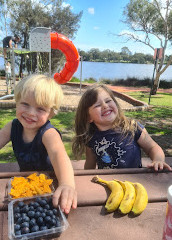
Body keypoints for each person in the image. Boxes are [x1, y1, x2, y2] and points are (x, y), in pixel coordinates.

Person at [0, 74, 77, 214]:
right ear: (17, 102)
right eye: (25, 104)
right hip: (25, 185)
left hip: (49, 187)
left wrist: (67, 184)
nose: (31, 113)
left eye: (40, 109)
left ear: (51, 113)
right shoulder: (12, 126)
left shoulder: (48, 134)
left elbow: (59, 155)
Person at [72, 84, 171, 171]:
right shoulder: (91, 137)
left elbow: (152, 147)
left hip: (134, 182)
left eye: (108, 101)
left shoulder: (132, 127)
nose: (105, 106)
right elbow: (90, 164)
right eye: (97, 105)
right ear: (89, 117)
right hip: (108, 183)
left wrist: (158, 160)